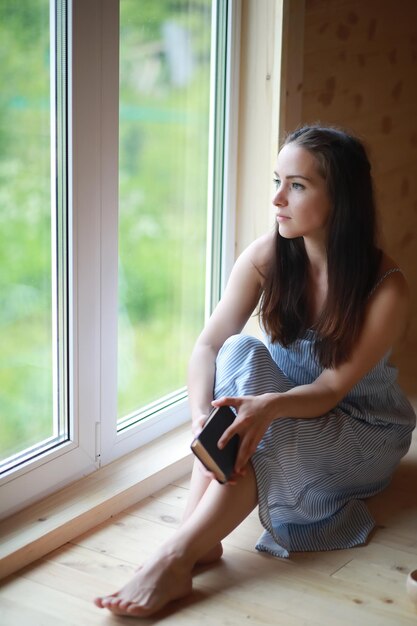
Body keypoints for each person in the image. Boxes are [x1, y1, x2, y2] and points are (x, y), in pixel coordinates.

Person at [94, 124, 416, 617]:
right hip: (286, 404)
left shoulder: (385, 289)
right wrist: (202, 413)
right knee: (241, 352)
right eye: (276, 180)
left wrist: (266, 408)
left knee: (262, 433)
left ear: (341, 198)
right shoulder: (268, 256)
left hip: (360, 430)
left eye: (298, 185)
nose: (277, 199)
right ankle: (193, 541)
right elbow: (209, 344)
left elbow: (331, 388)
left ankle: (176, 554)